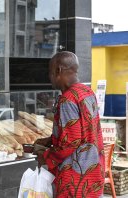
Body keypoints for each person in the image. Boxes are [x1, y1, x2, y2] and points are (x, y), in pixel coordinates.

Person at [34, 51, 104, 197]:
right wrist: (51, 140)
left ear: (58, 70)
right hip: (93, 173)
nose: (50, 77)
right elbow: (85, 130)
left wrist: (46, 157)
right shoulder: (87, 91)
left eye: (50, 72)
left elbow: (71, 142)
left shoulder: (68, 99)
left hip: (75, 179)